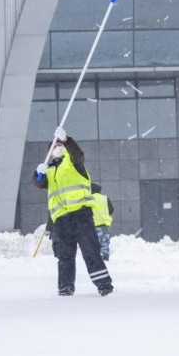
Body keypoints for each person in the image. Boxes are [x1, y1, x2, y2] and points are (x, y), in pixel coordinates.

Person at [33, 127, 114, 297]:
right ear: (50, 154)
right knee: (64, 257)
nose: (58, 148)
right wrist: (37, 174)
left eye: (60, 145)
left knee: (91, 252)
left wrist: (67, 140)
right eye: (54, 147)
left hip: (80, 216)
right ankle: (65, 288)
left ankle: (105, 287)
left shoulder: (73, 164)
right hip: (61, 221)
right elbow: (39, 184)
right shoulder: (49, 172)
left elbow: (78, 154)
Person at [90, 183, 114, 261]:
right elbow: (111, 209)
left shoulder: (89, 199)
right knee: (105, 241)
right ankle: (105, 256)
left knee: (95, 242)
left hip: (95, 225)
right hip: (105, 223)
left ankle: (96, 257)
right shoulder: (105, 198)